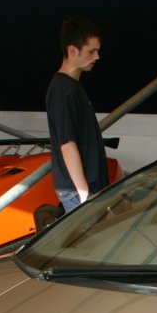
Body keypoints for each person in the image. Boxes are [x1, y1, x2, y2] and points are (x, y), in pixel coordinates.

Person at [45, 16, 108, 214]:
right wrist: (84, 193)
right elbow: (67, 144)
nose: (97, 57)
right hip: (80, 192)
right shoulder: (65, 91)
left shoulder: (71, 87)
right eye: (92, 51)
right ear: (73, 50)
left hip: (86, 187)